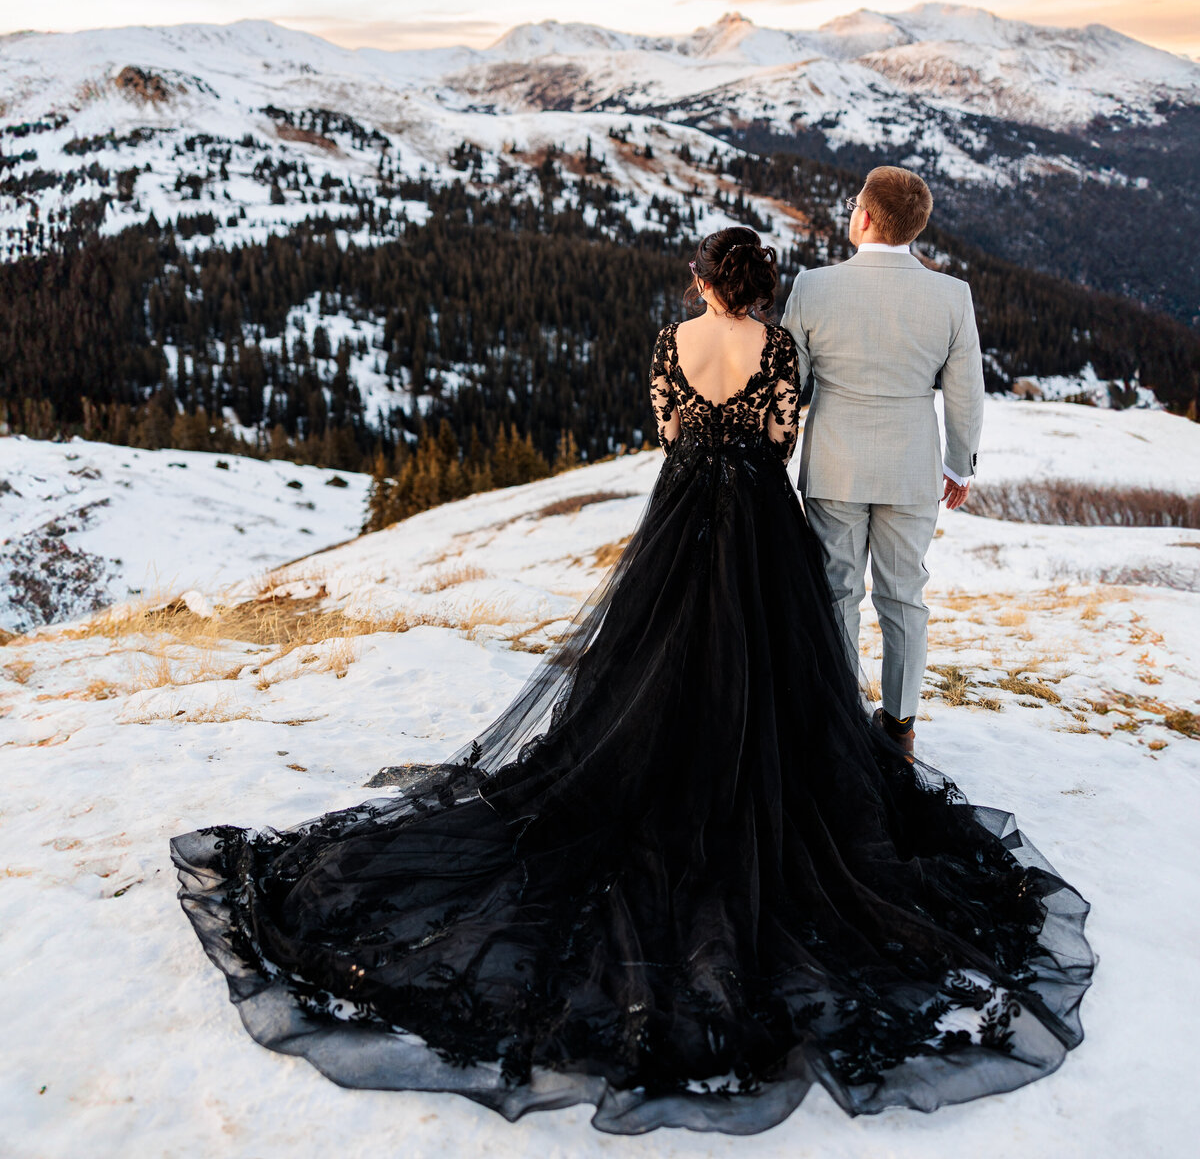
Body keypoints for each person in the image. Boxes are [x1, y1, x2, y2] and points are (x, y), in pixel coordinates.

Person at [171, 226, 1093, 1136]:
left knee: (653, 653)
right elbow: (778, 436)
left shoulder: (672, 342)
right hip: (759, 525)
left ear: (702, 283)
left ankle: (669, 748)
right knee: (778, 651)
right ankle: (762, 754)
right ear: (763, 288)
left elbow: (667, 429)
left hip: (685, 510)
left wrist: (704, 447)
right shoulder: (775, 346)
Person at [782, 165, 984, 762]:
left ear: (864, 217)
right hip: (912, 468)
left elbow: (787, 388)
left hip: (836, 465)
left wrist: (775, 453)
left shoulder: (813, 287)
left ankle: (840, 715)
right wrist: (959, 466)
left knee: (839, 592)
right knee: (904, 597)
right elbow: (965, 392)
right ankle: (900, 728)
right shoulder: (952, 296)